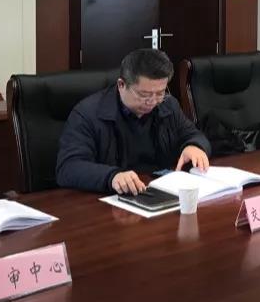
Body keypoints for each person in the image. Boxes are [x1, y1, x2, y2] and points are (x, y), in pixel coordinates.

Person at [56, 49, 211, 195]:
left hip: (157, 189)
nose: (153, 101)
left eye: (160, 93)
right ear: (121, 85)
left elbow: (193, 134)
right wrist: (112, 176)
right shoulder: (87, 114)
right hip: (111, 198)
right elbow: (68, 168)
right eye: (144, 94)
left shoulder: (168, 105)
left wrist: (195, 146)